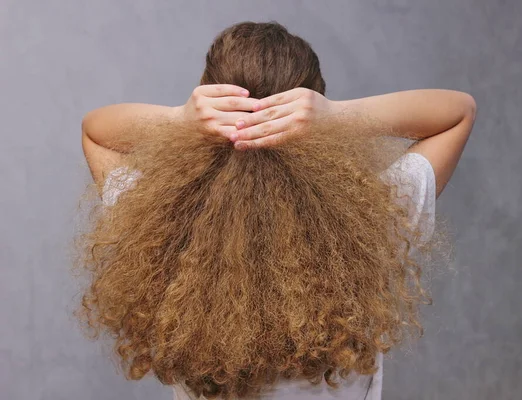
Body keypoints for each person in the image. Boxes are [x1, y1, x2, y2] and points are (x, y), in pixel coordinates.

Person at [76, 21, 476, 400]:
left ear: (207, 104)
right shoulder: (379, 213)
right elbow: (457, 111)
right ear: (314, 108)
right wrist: (339, 116)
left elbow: (97, 131)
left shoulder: (157, 225)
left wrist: (180, 120)